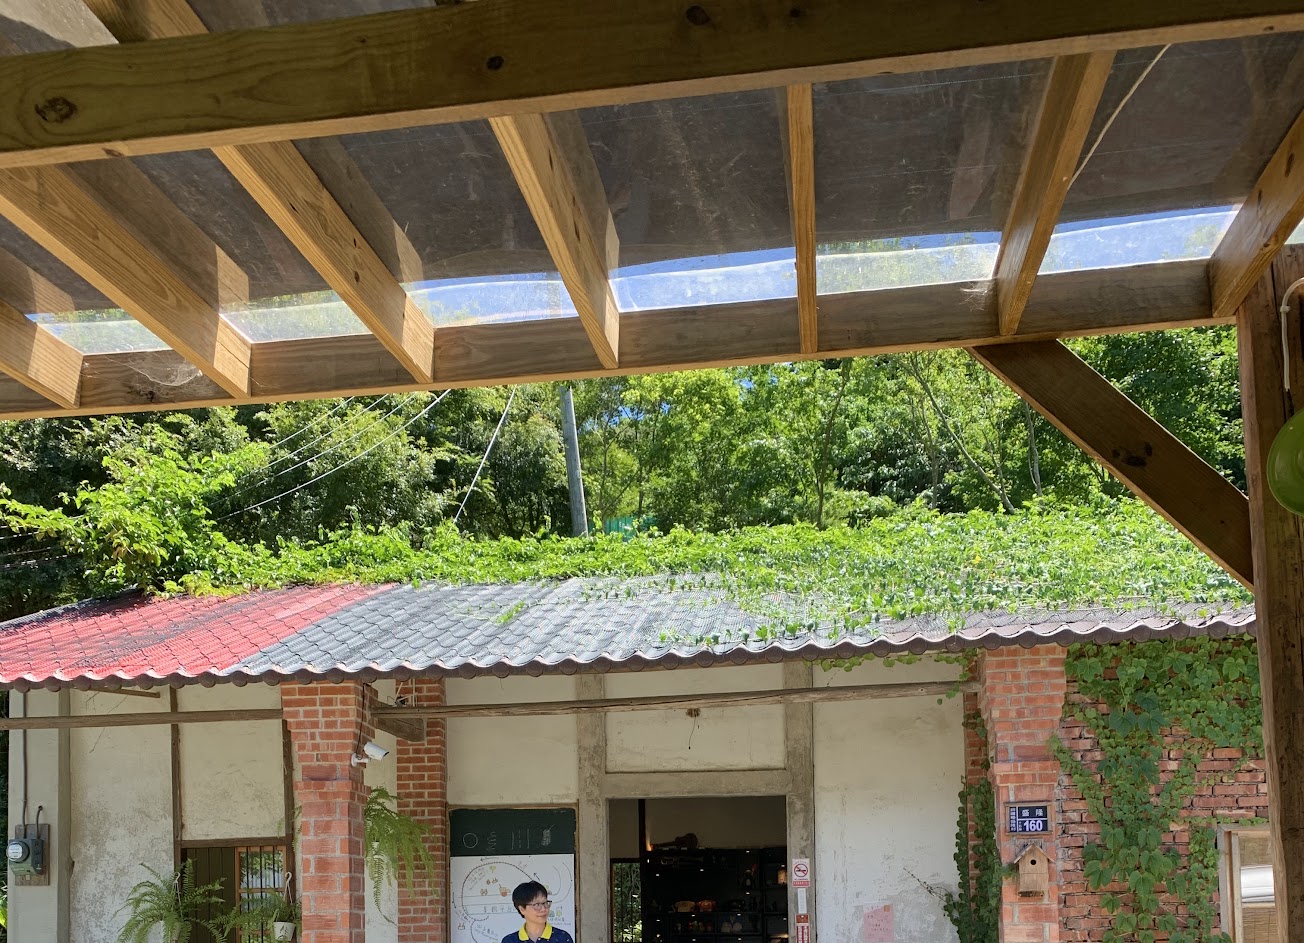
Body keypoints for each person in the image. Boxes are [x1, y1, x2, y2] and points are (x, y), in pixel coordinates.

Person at [503, 881, 573, 943]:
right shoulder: (510, 940)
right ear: (522, 909)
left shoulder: (562, 938)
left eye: (545, 903)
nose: (543, 909)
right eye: (537, 905)